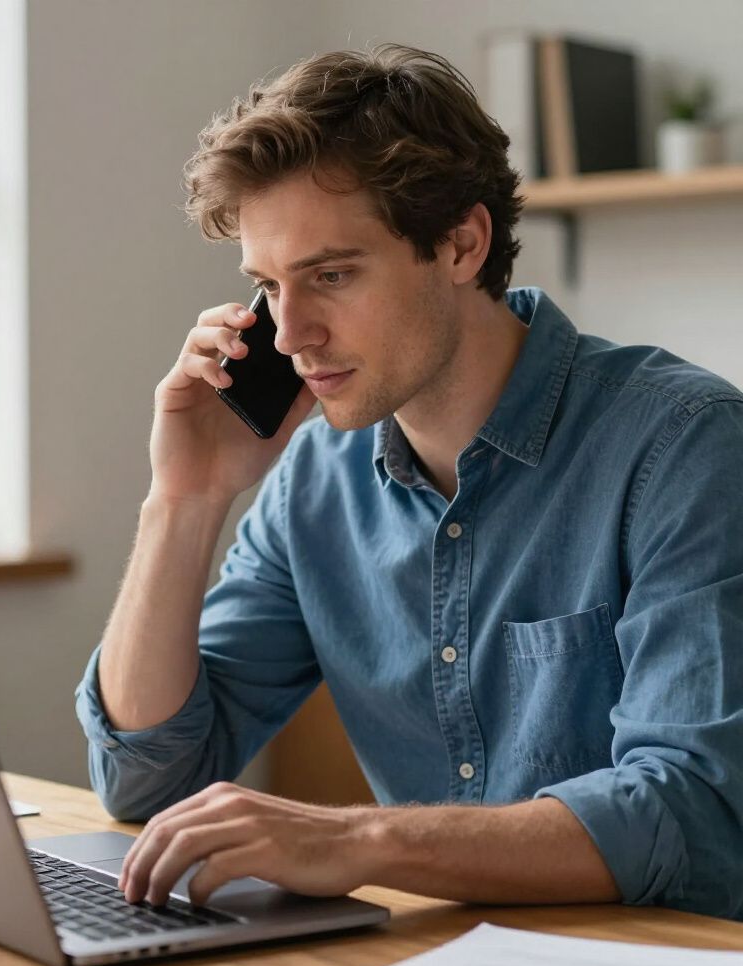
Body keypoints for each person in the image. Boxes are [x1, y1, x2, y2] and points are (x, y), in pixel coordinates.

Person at [75, 44, 743, 920]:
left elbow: (689, 813)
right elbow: (145, 777)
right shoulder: (313, 480)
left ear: (462, 243)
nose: (288, 336)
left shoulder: (687, 446)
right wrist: (185, 500)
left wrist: (356, 840)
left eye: (333, 275)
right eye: (270, 286)